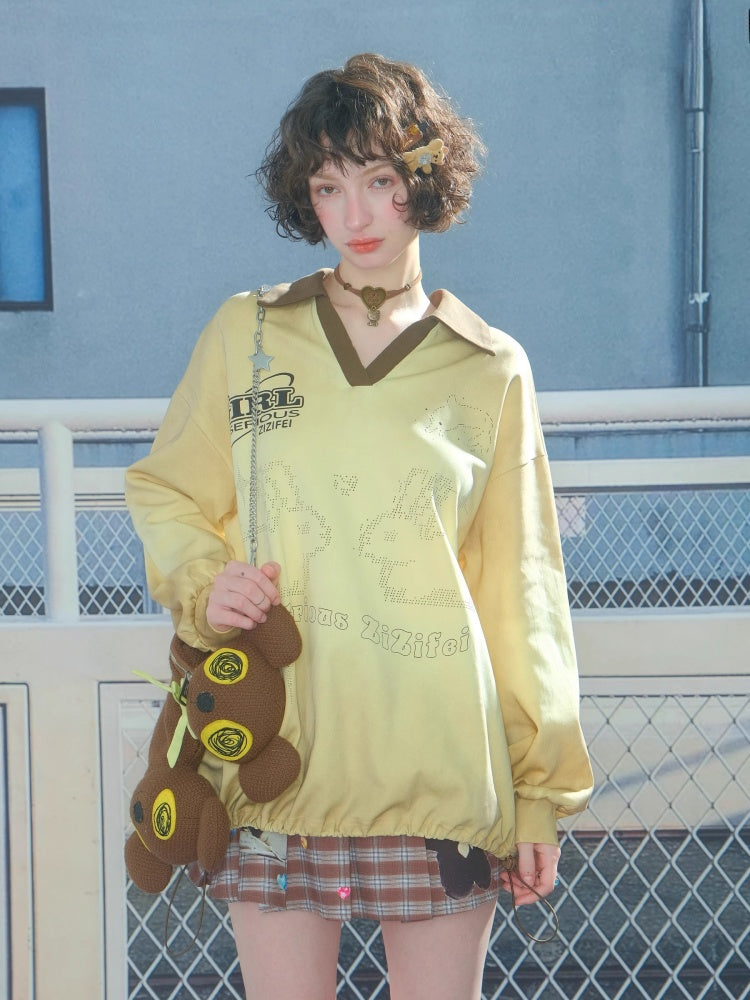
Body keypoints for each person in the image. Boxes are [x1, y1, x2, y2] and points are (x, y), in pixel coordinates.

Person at [125, 52, 593, 1000]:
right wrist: (207, 582)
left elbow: (523, 588)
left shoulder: (489, 366)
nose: (356, 214)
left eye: (380, 180)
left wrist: (539, 795)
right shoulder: (250, 334)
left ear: (425, 178)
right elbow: (168, 490)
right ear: (306, 199)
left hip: (439, 772)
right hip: (279, 768)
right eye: (329, 187)